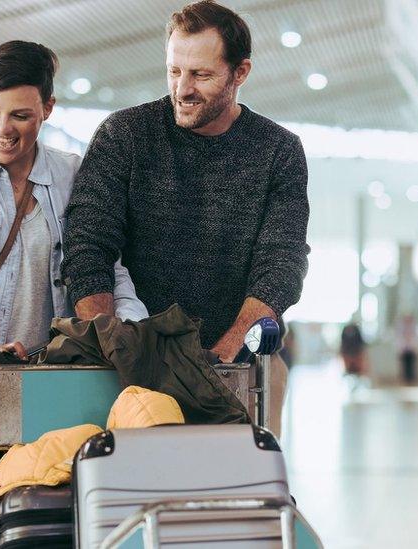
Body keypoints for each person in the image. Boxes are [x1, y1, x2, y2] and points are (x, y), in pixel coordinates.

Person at [61, 1, 309, 431]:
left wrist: (225, 354)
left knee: (240, 490)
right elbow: (87, 246)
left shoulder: (278, 151)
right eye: (175, 71)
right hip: (130, 370)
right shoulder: (125, 135)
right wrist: (112, 347)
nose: (183, 88)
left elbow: (281, 261)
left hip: (236, 369)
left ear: (240, 73)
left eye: (201, 74)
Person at [0, 41, 147, 432]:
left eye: (20, 115)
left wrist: (134, 330)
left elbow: (106, 266)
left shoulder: (72, 174)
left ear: (47, 109)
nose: (2, 129)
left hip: (61, 384)